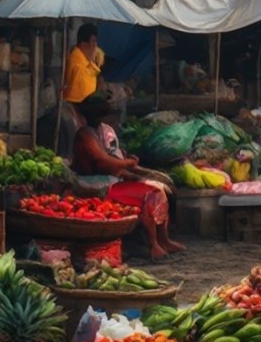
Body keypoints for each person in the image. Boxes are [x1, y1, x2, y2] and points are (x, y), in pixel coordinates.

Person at [72, 104, 184, 259]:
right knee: (152, 194)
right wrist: (127, 164)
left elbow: (112, 160)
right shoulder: (85, 135)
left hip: (111, 180)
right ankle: (154, 244)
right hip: (95, 185)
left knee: (161, 189)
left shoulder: (101, 133)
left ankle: (164, 240)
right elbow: (102, 162)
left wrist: (126, 167)